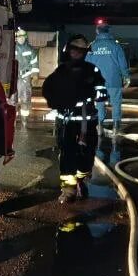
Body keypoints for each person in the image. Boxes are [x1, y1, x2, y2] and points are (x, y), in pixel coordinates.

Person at [42, 34, 107, 202]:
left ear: (85, 53)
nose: (77, 54)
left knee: (87, 156)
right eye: (74, 50)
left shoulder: (92, 70)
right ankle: (68, 189)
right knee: (68, 154)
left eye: (81, 51)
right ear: (68, 51)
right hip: (67, 121)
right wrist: (56, 102)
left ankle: (81, 179)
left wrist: (95, 93)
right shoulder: (61, 71)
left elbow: (101, 91)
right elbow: (48, 89)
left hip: (87, 121)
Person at [88, 20, 129, 135]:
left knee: (99, 103)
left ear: (97, 31)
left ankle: (100, 126)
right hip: (114, 80)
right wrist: (126, 77)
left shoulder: (92, 46)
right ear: (109, 31)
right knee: (116, 103)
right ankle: (116, 127)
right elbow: (123, 63)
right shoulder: (116, 46)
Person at [13, 28, 40, 121]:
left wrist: (35, 75)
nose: (20, 38)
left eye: (22, 37)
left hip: (26, 76)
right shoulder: (12, 48)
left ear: (25, 38)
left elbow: (35, 63)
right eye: (18, 37)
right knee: (13, 96)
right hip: (14, 76)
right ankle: (12, 117)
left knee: (25, 96)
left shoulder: (31, 50)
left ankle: (24, 118)